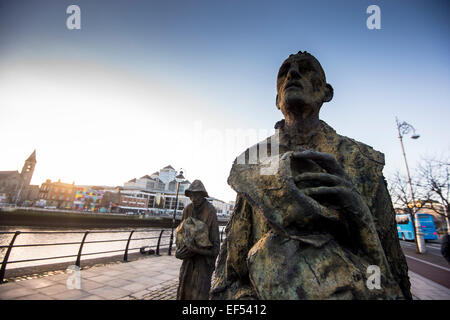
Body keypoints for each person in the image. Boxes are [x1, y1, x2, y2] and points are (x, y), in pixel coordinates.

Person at [211, 51, 411, 300]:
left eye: (305, 69)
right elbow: (229, 276)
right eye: (284, 72)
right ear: (277, 100)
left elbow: (391, 276)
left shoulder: (363, 162)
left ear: (326, 93)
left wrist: (360, 218)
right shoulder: (253, 163)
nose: (292, 74)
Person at [175, 180, 220, 300]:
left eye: (197, 195)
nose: (194, 199)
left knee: (199, 295)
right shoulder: (187, 210)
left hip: (203, 266)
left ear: (202, 195)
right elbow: (181, 237)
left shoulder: (210, 211)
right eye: (191, 196)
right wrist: (178, 252)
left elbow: (216, 248)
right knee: (183, 294)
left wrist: (196, 249)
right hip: (188, 264)